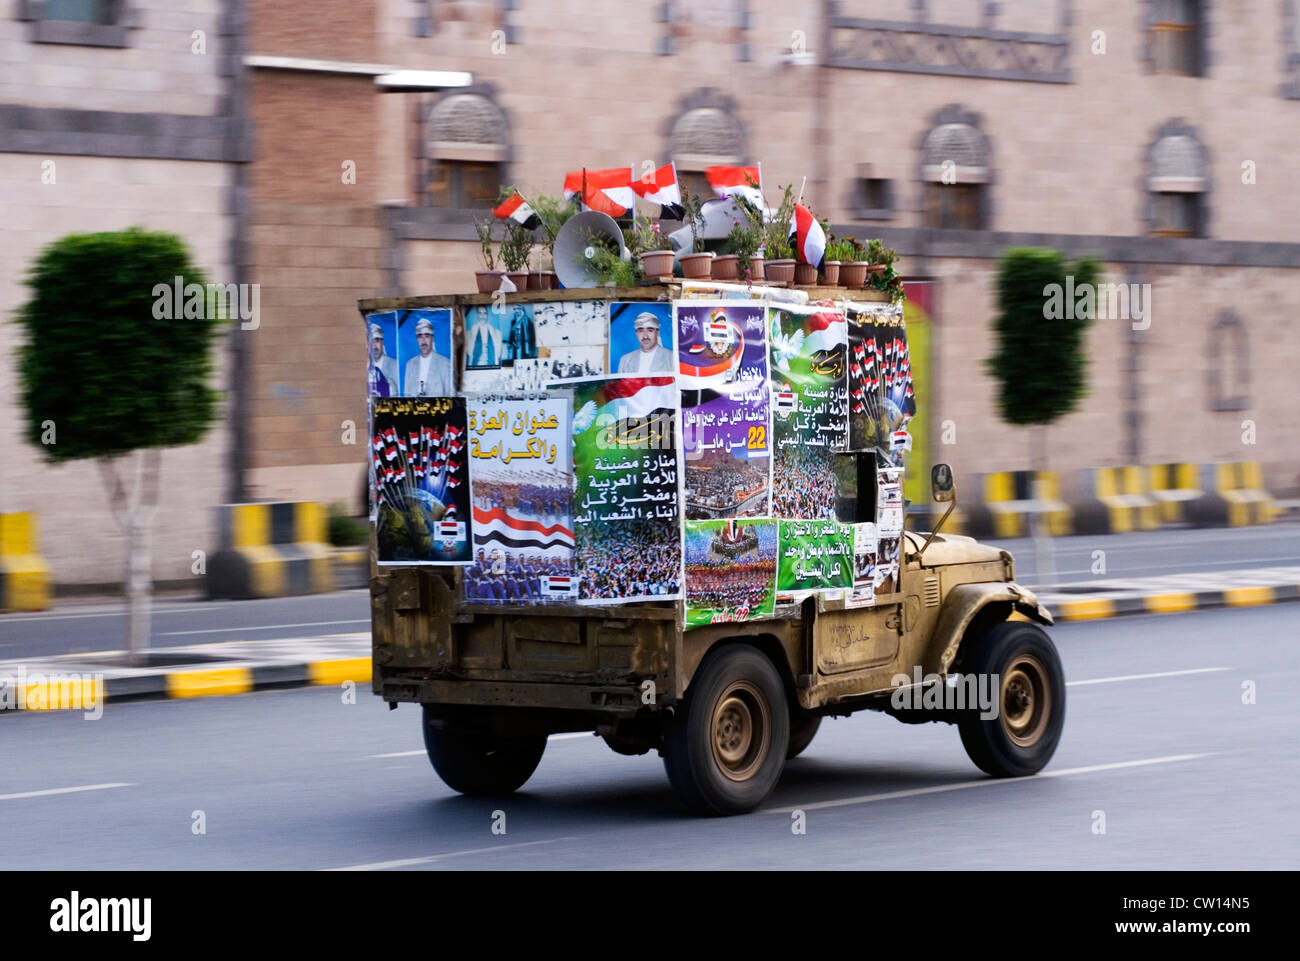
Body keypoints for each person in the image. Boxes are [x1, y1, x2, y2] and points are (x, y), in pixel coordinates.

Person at [402, 316, 452, 396]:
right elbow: (406, 396)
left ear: (432, 339)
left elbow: (451, 396)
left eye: (427, 336)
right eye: (420, 336)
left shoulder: (445, 364)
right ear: (417, 339)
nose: (423, 340)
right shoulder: (410, 364)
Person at [369, 323, 398, 397]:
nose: (374, 345)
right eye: (371, 342)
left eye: (377, 340)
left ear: (382, 342)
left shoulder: (395, 365)